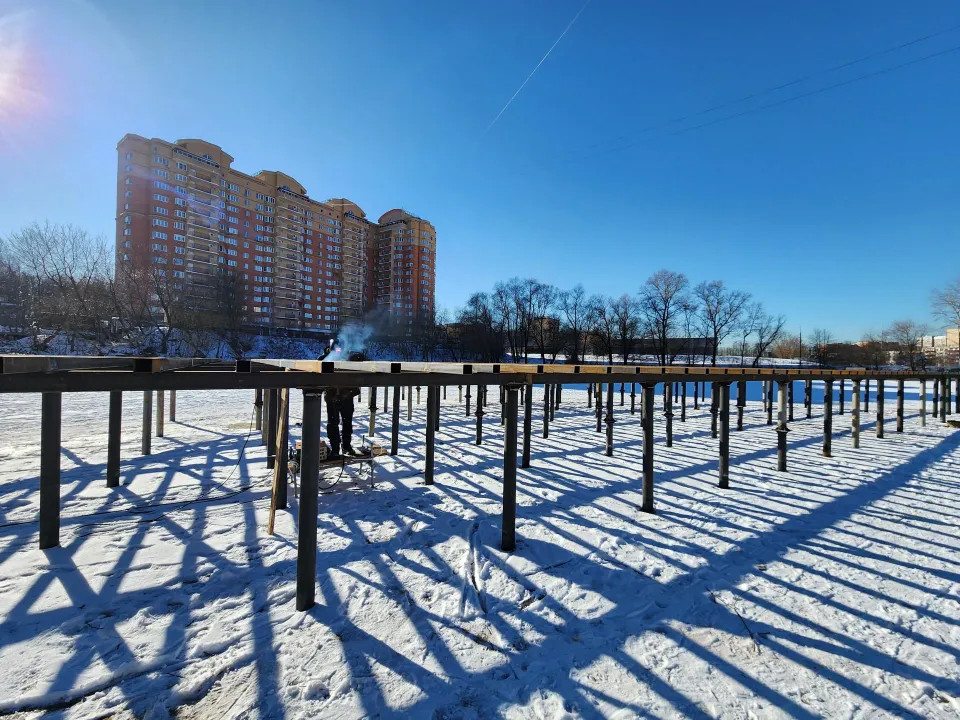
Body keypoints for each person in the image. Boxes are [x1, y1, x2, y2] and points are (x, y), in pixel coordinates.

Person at [324, 387, 360, 458]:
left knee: (347, 422)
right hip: (332, 395)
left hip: (346, 395)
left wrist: (348, 393)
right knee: (333, 423)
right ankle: (335, 448)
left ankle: (346, 446)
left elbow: (356, 385)